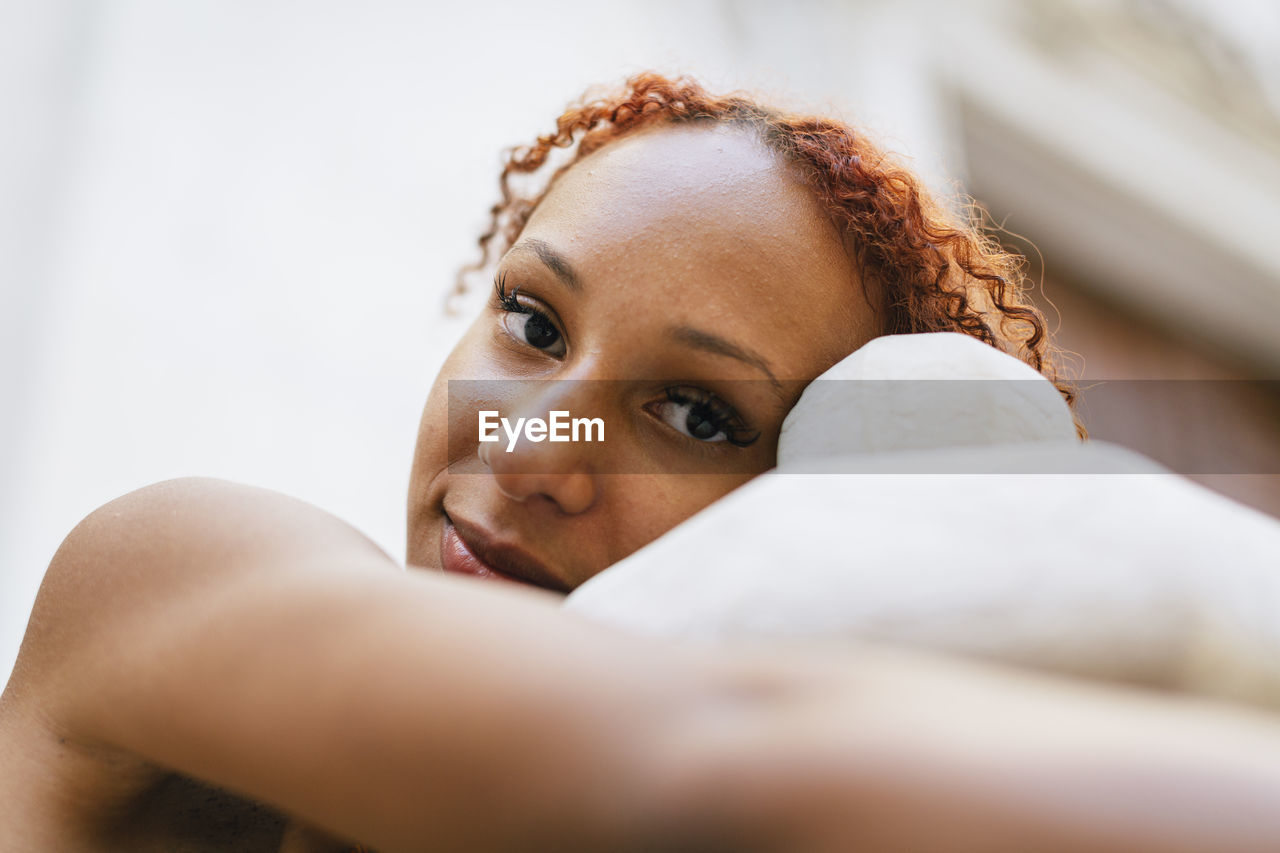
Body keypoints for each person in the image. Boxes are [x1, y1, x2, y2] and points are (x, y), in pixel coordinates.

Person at [2, 72, 1279, 852]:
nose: (530, 444)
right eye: (532, 322)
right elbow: (702, 759)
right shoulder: (172, 569)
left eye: (696, 414)